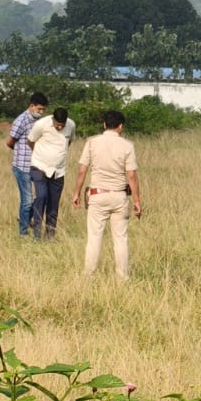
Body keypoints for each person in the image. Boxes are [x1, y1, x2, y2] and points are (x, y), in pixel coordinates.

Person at [72, 110, 143, 280]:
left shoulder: (91, 142)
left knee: (94, 238)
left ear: (104, 125)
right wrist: (137, 200)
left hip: (97, 195)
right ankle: (122, 278)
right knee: (121, 239)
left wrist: (76, 193)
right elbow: (131, 175)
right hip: (119, 196)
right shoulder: (127, 146)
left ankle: (89, 276)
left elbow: (82, 171)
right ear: (120, 126)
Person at [27, 107, 75, 239]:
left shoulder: (71, 125)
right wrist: (41, 154)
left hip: (58, 171)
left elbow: (69, 141)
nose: (59, 127)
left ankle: (50, 235)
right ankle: (36, 234)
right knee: (41, 197)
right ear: (53, 119)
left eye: (62, 125)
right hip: (39, 166)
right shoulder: (41, 124)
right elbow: (30, 140)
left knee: (53, 204)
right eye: (57, 125)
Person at [6, 92, 49, 236]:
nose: (41, 112)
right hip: (22, 166)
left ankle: (24, 218)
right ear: (31, 106)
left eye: (43, 110)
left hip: (37, 165)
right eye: (39, 109)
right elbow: (10, 142)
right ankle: (23, 232)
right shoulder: (21, 120)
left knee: (41, 196)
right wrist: (20, 151)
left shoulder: (40, 122)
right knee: (28, 200)